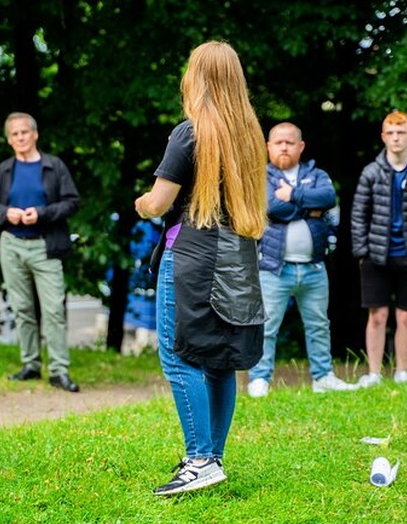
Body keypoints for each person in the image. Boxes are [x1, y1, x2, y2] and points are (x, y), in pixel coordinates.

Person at [134, 41, 267, 496]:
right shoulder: (249, 137)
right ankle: (213, 458)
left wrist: (141, 203)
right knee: (220, 360)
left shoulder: (190, 133)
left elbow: (158, 203)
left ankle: (199, 459)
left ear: (198, 78)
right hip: (237, 256)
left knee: (178, 355)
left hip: (191, 256)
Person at [246, 122, 356, 398]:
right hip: (273, 267)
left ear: (300, 146)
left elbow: (328, 197)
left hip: (314, 267)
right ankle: (259, 378)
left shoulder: (316, 174)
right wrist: (310, 210)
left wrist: (293, 194)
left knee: (319, 325)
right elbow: (270, 207)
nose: (284, 146)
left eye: (289, 142)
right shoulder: (260, 176)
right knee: (267, 326)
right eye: (278, 142)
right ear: (268, 147)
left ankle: (323, 377)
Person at [0, 112, 81, 392]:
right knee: (22, 308)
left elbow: (73, 202)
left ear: (35, 134)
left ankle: (59, 370)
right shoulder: (3, 170)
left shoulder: (54, 166)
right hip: (11, 244)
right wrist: (5, 213)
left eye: (24, 132)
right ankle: (30, 364)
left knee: (53, 310)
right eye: (14, 134)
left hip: (45, 244)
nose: (20, 137)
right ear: (9, 140)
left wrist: (42, 214)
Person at [351, 111, 407, 388]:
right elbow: (358, 215)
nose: (396, 138)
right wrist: (361, 251)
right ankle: (374, 373)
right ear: (383, 137)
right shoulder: (371, 172)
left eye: (401, 133)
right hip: (376, 255)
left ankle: (402, 370)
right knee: (377, 316)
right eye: (390, 133)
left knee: (405, 315)